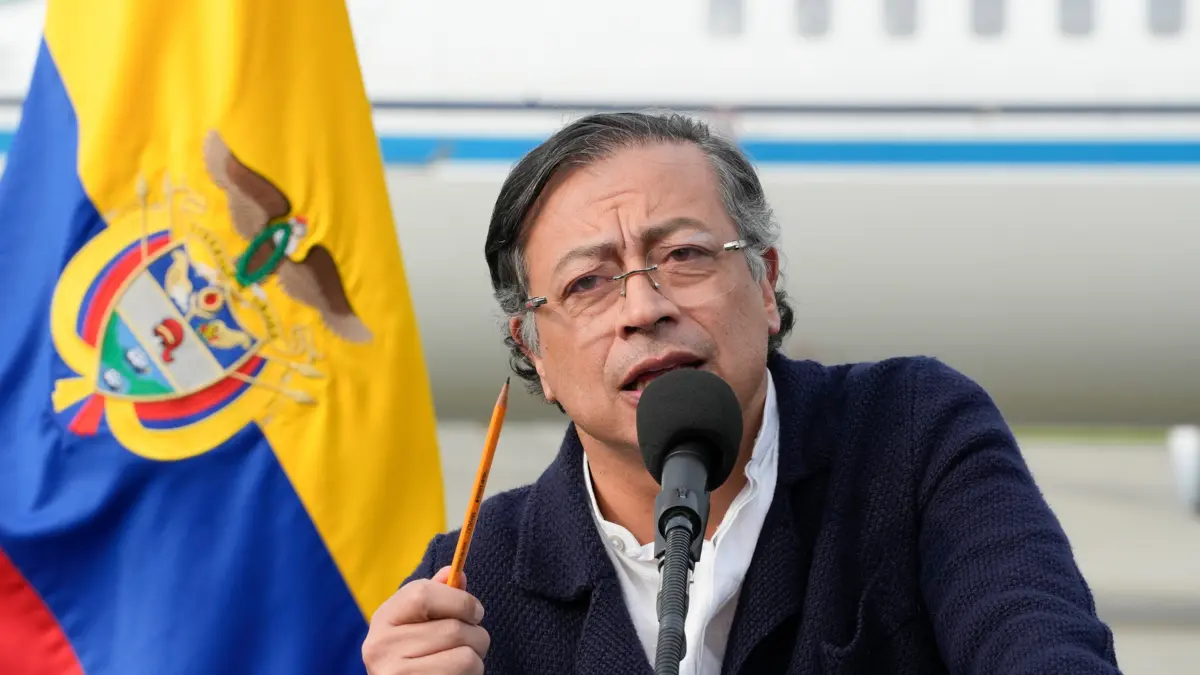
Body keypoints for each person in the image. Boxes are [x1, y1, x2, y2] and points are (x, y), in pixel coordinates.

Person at [361, 112, 1122, 675]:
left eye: (684, 254)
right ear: (535, 352)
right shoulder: (471, 586)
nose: (642, 308)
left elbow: (1038, 641)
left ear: (764, 283)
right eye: (588, 282)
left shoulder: (912, 433)